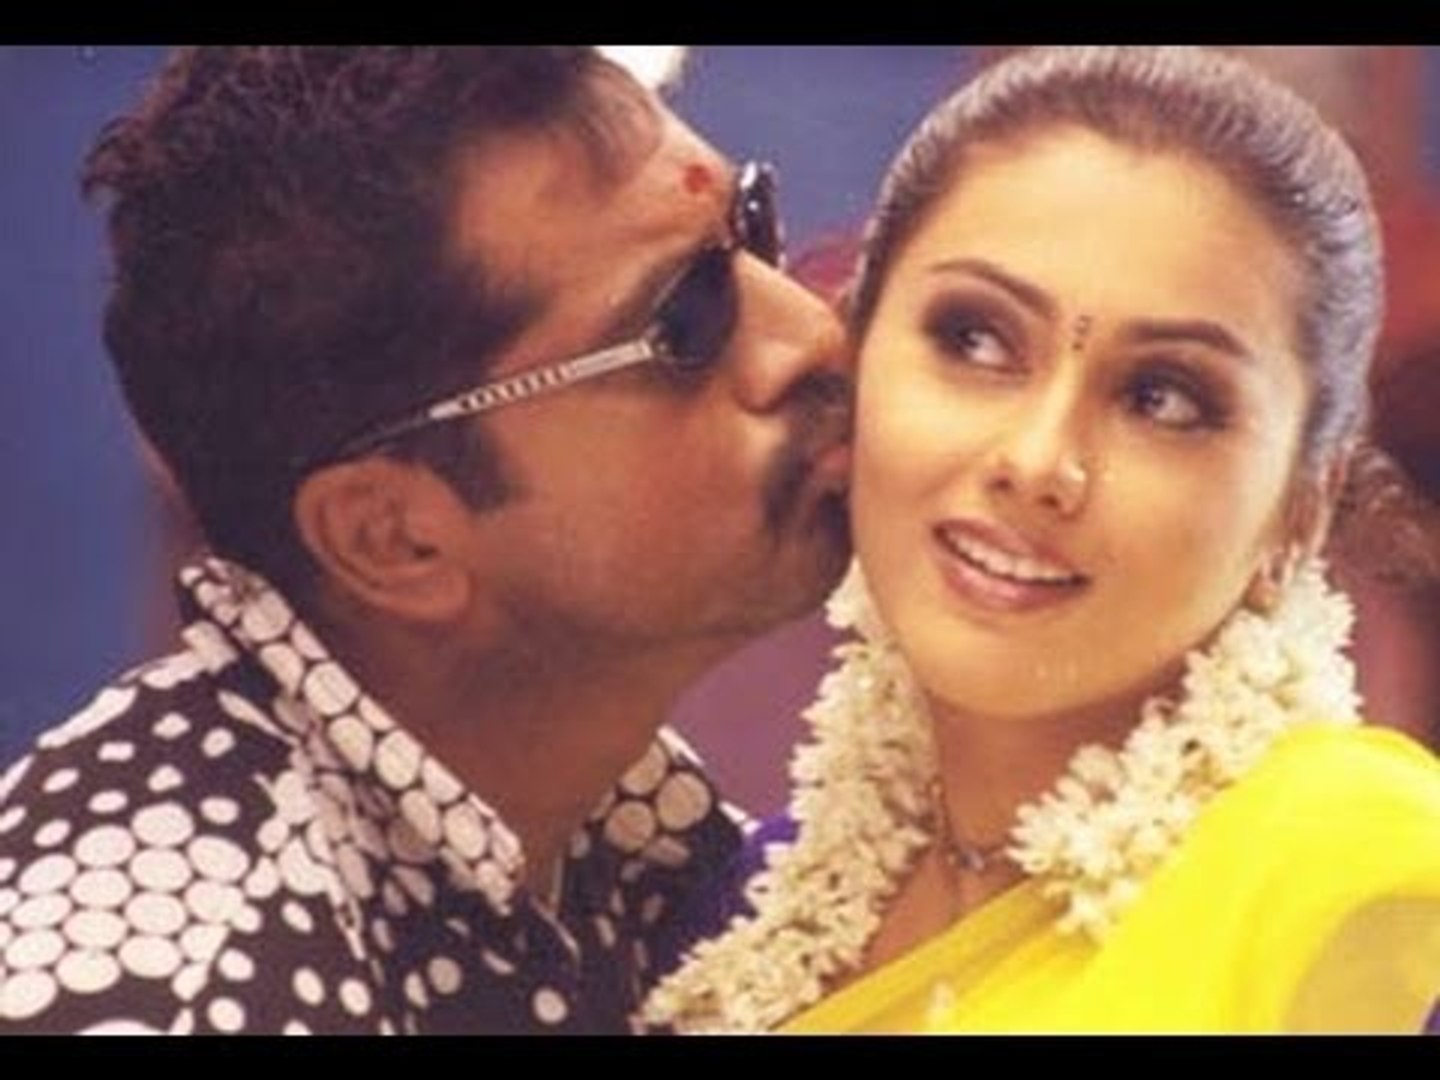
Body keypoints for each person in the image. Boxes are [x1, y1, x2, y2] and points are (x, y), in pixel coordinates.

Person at [0, 46, 852, 1033]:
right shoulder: (178, 997)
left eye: (751, 223)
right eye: (686, 320)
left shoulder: (624, 843)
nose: (810, 332)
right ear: (393, 539)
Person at [643, 45, 1440, 1034]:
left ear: (1299, 510)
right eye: (975, 340)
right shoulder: (735, 917)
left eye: (1162, 398)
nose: (1038, 460)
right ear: (853, 357)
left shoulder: (1368, 891)